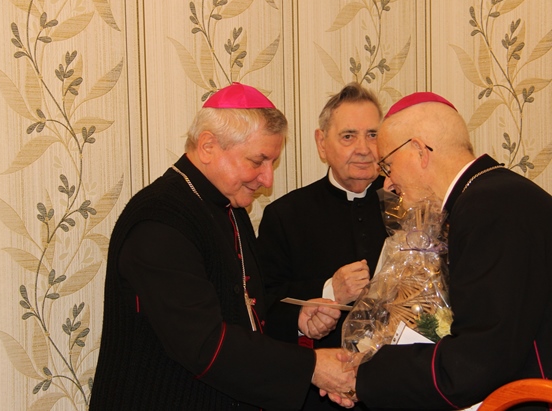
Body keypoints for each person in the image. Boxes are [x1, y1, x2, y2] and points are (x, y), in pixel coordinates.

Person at [90, 82, 353, 411]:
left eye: (271, 163)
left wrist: (297, 318)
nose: (267, 180)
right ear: (208, 146)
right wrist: (311, 367)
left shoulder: (230, 207)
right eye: (258, 161)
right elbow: (204, 343)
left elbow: (244, 311)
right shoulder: (160, 220)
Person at [329, 92, 552, 410]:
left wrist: (365, 375)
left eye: (388, 165)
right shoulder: (491, 196)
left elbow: (478, 360)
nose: (388, 183)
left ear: (419, 151)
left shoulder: (489, 210)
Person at [256, 83, 388, 410]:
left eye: (373, 135)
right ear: (322, 143)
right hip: (320, 395)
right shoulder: (285, 215)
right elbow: (263, 307)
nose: (364, 149)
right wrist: (330, 291)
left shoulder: (406, 205)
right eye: (348, 136)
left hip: (396, 387)